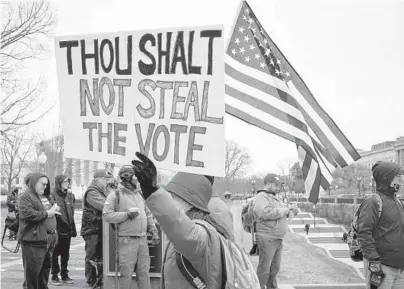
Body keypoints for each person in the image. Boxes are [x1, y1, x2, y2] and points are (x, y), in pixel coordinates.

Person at [131, 152, 236, 289]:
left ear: (188, 203)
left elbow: (182, 230)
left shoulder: (201, 234)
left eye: (172, 197)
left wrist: (152, 191)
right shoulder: (196, 229)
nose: (169, 199)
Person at [103, 165, 160, 289]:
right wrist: (126, 215)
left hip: (142, 240)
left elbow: (148, 214)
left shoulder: (139, 194)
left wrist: (154, 231)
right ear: (127, 177)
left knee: (144, 273)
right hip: (126, 241)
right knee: (126, 274)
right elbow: (107, 216)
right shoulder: (115, 195)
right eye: (135, 176)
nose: (137, 179)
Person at [357, 161, 404, 289]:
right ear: (386, 178)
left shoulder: (398, 202)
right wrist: (374, 261)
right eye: (397, 176)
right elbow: (364, 233)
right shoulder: (373, 202)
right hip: (382, 267)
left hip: (400, 269)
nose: (401, 180)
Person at [253, 173, 299, 289]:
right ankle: (260, 287)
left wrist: (293, 209)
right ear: (268, 184)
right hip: (267, 237)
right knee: (264, 268)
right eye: (276, 185)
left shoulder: (275, 197)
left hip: (277, 238)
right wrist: (285, 210)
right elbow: (265, 212)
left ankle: (272, 287)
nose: (278, 188)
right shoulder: (261, 197)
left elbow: (285, 210)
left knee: (275, 267)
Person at [17, 172, 61, 289]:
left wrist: (54, 208)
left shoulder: (45, 196)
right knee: (32, 276)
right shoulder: (25, 196)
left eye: (47, 185)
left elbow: (49, 211)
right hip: (34, 242)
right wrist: (48, 213)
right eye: (43, 184)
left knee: (44, 273)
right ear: (34, 182)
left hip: (47, 239)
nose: (45, 187)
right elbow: (28, 214)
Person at [81, 169, 115, 288]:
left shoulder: (102, 191)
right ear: (97, 180)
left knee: (100, 256)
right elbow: (105, 205)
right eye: (104, 179)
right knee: (91, 256)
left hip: (99, 228)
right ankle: (91, 281)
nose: (106, 182)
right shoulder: (92, 192)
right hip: (92, 229)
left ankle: (99, 279)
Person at [51, 175, 77, 285]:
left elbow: (71, 211)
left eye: (68, 181)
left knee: (66, 253)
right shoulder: (52, 195)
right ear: (59, 183)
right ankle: (54, 275)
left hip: (68, 228)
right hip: (58, 228)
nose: (67, 183)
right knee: (55, 253)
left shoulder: (69, 195)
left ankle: (64, 274)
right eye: (65, 181)